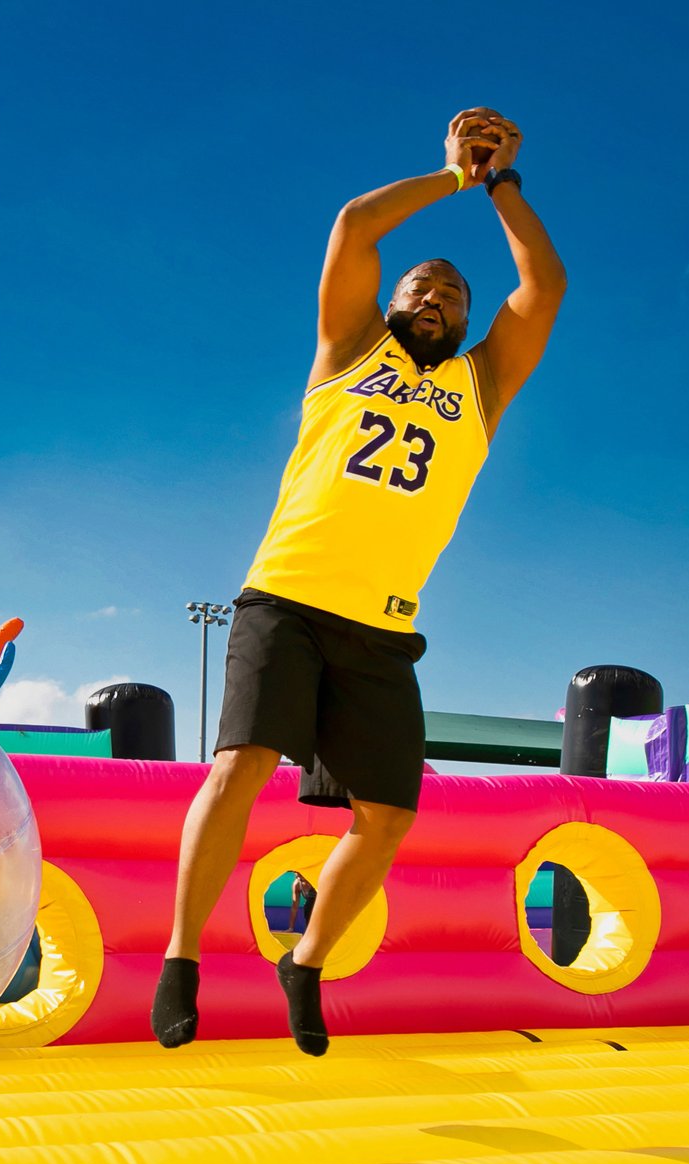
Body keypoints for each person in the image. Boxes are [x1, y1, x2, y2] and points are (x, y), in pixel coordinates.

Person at [150, 108, 566, 1056]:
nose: (437, 294)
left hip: (379, 629)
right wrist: (456, 175)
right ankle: (181, 957)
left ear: (465, 321)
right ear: (389, 304)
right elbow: (354, 227)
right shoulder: (346, 354)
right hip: (287, 596)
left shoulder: (479, 387)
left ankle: (304, 964)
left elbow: (544, 286)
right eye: (423, 282)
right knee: (242, 766)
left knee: (387, 819)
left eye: (454, 293)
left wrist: (506, 187)